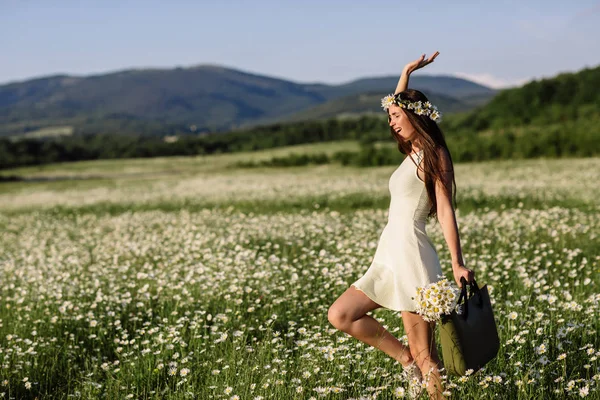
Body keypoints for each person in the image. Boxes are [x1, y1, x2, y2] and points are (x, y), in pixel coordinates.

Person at [327, 52, 475, 400]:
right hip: (388, 257)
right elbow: (397, 106)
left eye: (397, 116)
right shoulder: (411, 152)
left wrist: (456, 263)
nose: (391, 121)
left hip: (411, 258)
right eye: (390, 115)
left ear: (414, 116)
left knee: (428, 359)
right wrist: (405, 73)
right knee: (341, 314)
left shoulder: (434, 154)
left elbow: (444, 211)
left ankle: (429, 385)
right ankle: (403, 358)